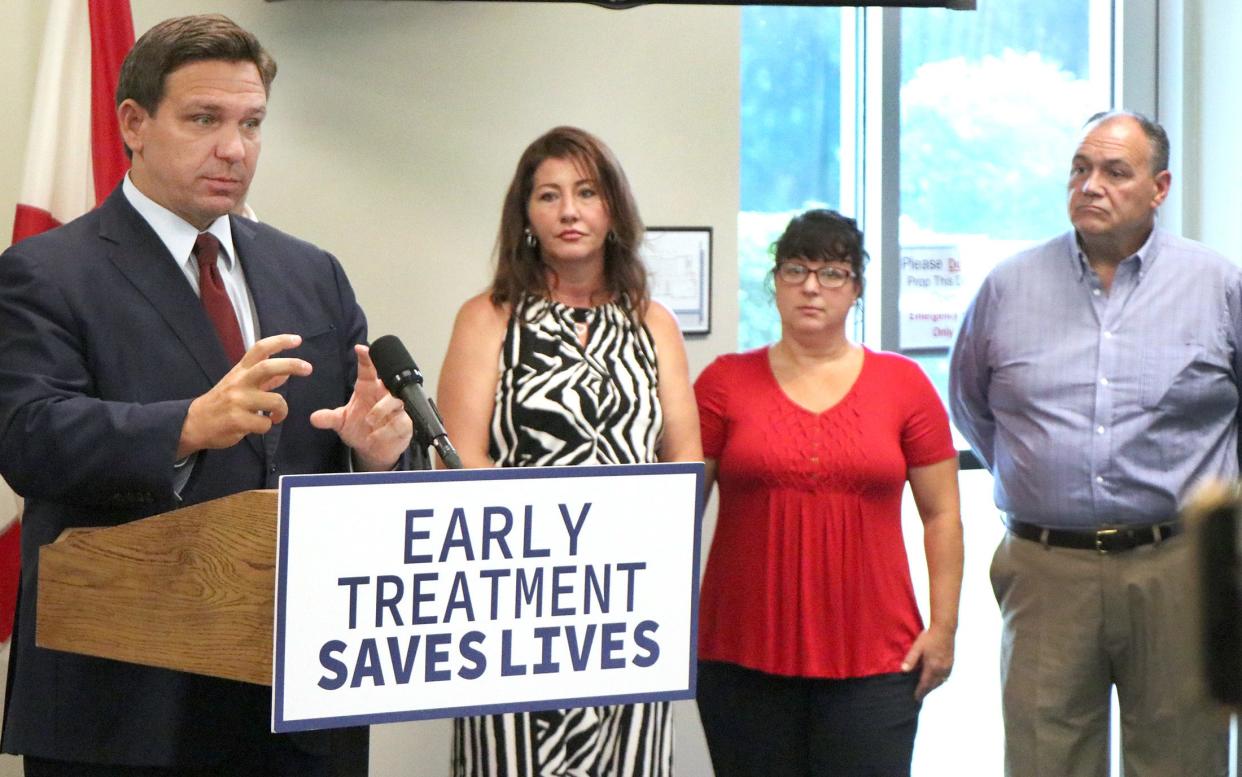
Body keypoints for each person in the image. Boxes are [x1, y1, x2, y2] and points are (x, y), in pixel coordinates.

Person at [0, 14, 412, 777]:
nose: (235, 147)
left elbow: (348, 446)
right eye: (205, 119)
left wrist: (375, 452)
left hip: (296, 703)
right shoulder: (46, 272)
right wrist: (186, 425)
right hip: (126, 705)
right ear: (134, 123)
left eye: (252, 123)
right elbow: (31, 437)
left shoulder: (311, 271)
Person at [949, 110, 1233, 777]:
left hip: (1181, 567)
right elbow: (974, 407)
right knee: (1045, 758)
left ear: (1159, 188)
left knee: (1182, 759)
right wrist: (1044, 479)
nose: (1090, 185)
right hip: (1047, 569)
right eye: (1080, 168)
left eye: (1114, 171)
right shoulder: (1008, 287)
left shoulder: (1216, 285)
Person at [436, 125, 702, 776]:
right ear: (525, 215)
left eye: (586, 192)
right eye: (549, 195)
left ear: (613, 208)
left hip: (629, 605)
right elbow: (458, 459)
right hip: (514, 605)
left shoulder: (653, 321)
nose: (570, 211)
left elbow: (685, 461)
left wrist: (654, 565)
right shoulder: (488, 316)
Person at [694, 209, 963, 777]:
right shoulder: (723, 383)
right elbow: (677, 514)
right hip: (740, 657)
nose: (812, 285)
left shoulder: (904, 385)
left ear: (856, 288)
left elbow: (942, 516)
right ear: (775, 283)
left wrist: (943, 629)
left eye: (832, 272)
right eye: (795, 269)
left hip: (877, 660)